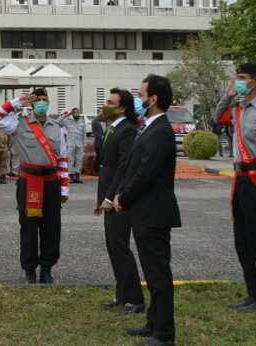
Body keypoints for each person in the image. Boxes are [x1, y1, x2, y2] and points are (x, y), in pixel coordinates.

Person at [115, 74, 180, 346]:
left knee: (158, 273)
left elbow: (145, 173)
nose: (138, 99)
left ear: (153, 99)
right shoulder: (150, 127)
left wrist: (124, 198)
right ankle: (153, 323)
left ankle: (164, 333)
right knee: (152, 272)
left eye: (141, 94)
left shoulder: (161, 130)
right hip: (145, 211)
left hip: (153, 212)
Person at [213, 64, 256, 313]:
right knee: (242, 240)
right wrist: (228, 95)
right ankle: (253, 293)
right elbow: (216, 118)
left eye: (241, 78)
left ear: (255, 81)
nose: (237, 81)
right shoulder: (238, 108)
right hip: (240, 179)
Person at [0, 87, 69, 284]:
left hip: (51, 182)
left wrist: (64, 188)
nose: (41, 102)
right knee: (29, 228)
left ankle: (47, 268)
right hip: (29, 182)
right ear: (31, 103)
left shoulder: (58, 128)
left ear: (49, 102)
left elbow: (63, 160)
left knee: (52, 227)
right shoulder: (18, 123)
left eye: (44, 99)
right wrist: (16, 103)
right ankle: (30, 269)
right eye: (37, 99)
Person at [95, 89, 144, 315]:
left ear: (122, 107)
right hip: (107, 193)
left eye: (110, 103)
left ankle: (135, 299)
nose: (106, 105)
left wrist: (109, 196)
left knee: (120, 246)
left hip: (117, 197)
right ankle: (122, 294)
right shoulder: (113, 127)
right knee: (112, 246)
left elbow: (124, 167)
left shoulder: (127, 131)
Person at [60, 107, 86, 183]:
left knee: (79, 160)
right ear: (72, 113)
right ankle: (70, 176)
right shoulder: (68, 121)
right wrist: (66, 115)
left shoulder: (82, 121)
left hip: (79, 145)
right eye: (74, 112)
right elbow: (58, 122)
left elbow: (84, 134)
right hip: (70, 144)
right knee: (70, 160)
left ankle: (77, 176)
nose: (76, 114)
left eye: (77, 112)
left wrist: (84, 144)